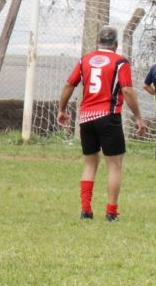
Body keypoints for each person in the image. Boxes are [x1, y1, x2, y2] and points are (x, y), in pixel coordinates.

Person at [57, 25, 146, 221]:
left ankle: (86, 210)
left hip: (86, 118)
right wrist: (138, 116)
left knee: (90, 163)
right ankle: (111, 212)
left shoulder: (85, 61)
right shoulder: (120, 62)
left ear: (98, 42)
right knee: (114, 165)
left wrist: (62, 109)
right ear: (115, 44)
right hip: (108, 117)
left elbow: (69, 85)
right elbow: (128, 91)